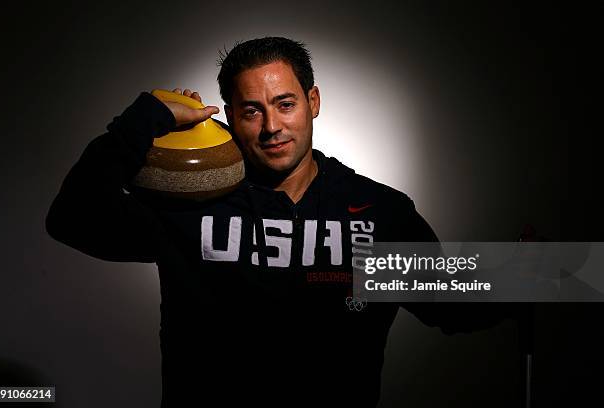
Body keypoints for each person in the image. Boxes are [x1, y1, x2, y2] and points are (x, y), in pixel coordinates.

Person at [46, 37, 508, 407]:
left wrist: (552, 268)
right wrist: (142, 121)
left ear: (313, 101)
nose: (271, 127)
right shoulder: (194, 204)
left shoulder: (375, 212)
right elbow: (72, 219)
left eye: (285, 104)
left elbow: (456, 304)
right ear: (229, 116)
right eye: (252, 111)